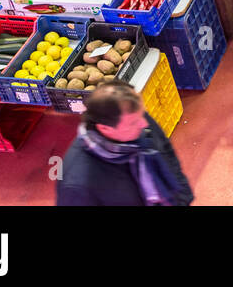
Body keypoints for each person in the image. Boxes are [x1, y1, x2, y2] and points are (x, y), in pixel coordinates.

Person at [55, 81, 193, 207]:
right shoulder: (78, 185)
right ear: (105, 128)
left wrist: (182, 196)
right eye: (133, 123)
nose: (144, 124)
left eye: (142, 114)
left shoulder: (135, 116)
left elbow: (166, 151)